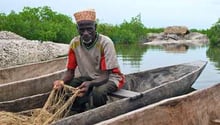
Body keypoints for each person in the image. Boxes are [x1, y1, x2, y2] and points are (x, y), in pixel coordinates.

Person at [53, 9, 125, 113]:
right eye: (82, 30)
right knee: (67, 87)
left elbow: (105, 76)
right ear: (77, 29)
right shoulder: (74, 43)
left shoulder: (105, 43)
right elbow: (70, 72)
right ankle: (77, 111)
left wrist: (90, 84)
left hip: (111, 78)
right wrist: (61, 81)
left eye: (89, 29)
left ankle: (98, 113)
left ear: (95, 27)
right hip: (89, 77)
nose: (86, 33)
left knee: (98, 92)